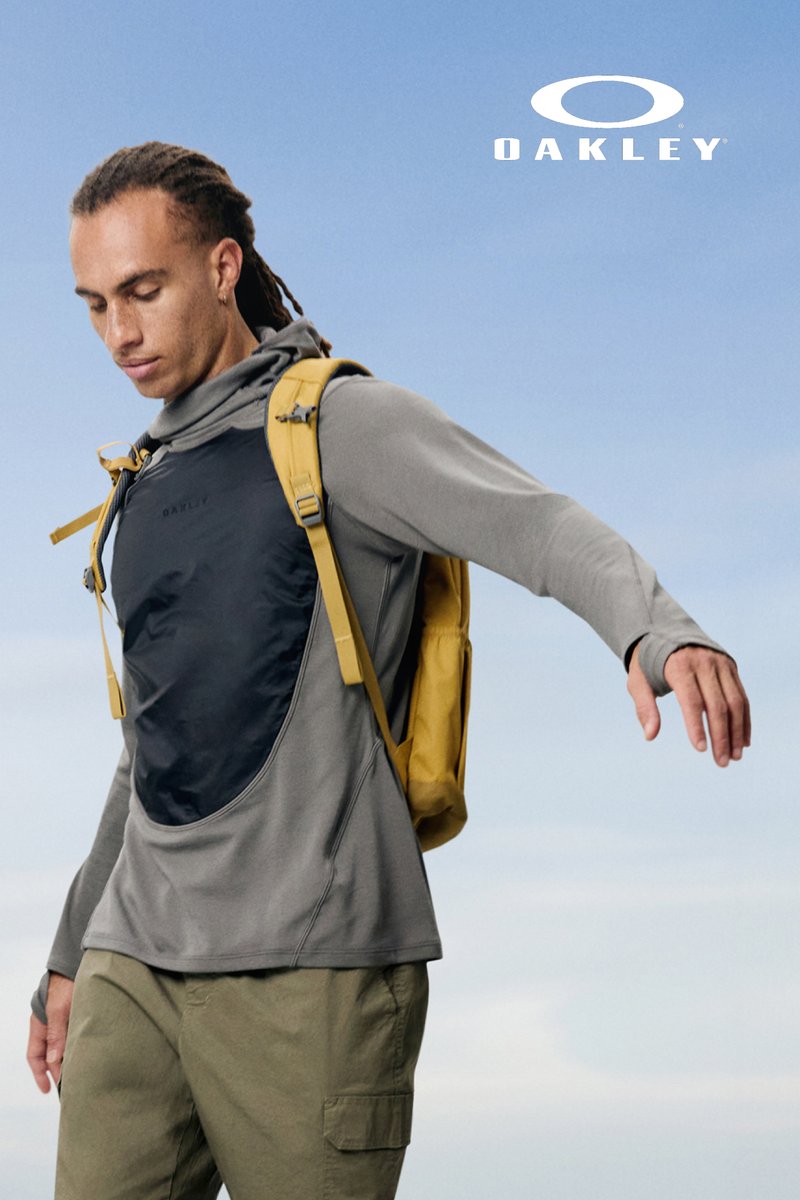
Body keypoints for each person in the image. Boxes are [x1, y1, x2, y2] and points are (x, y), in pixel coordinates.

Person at [26, 141, 750, 1200]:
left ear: (223, 268)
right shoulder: (145, 480)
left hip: (307, 969)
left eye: (144, 290)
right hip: (134, 963)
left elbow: (537, 524)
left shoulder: (339, 424)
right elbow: (149, 750)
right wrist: (68, 954)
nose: (119, 333)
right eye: (94, 305)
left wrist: (659, 633)